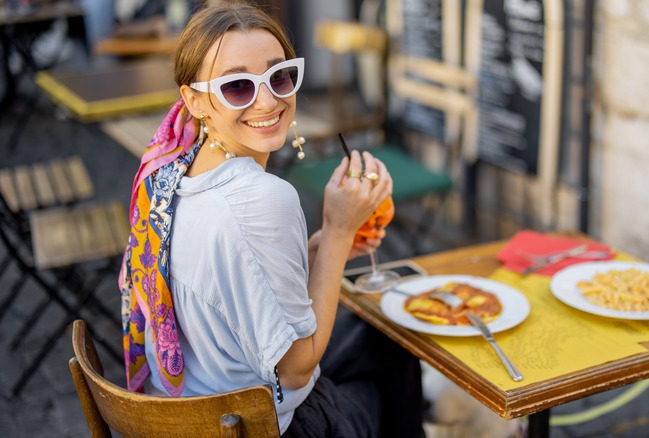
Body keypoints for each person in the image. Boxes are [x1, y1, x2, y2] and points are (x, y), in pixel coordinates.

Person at [118, 3, 425, 437]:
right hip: (261, 424)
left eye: (279, 76)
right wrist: (338, 229)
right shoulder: (262, 199)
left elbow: (240, 283)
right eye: (237, 86)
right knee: (396, 352)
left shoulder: (169, 170)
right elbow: (297, 369)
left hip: (191, 401)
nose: (268, 100)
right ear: (194, 99)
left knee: (381, 341)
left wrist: (319, 248)